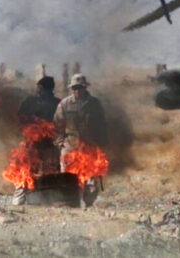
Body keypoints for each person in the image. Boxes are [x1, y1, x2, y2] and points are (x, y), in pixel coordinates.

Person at [54, 74, 108, 208]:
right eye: (75, 88)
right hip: (70, 146)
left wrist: (101, 145)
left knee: (90, 180)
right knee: (69, 177)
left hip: (89, 147)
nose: (77, 91)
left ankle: (88, 204)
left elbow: (101, 125)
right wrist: (60, 142)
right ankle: (71, 203)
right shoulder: (65, 104)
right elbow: (57, 124)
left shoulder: (94, 104)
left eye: (80, 88)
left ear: (85, 88)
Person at [12, 76, 62, 205]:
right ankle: (22, 197)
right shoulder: (30, 101)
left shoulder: (57, 103)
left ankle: (47, 198)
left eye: (41, 88)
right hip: (32, 141)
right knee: (26, 168)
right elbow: (20, 117)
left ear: (48, 89)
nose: (38, 90)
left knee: (49, 171)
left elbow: (62, 122)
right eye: (38, 88)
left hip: (50, 142)